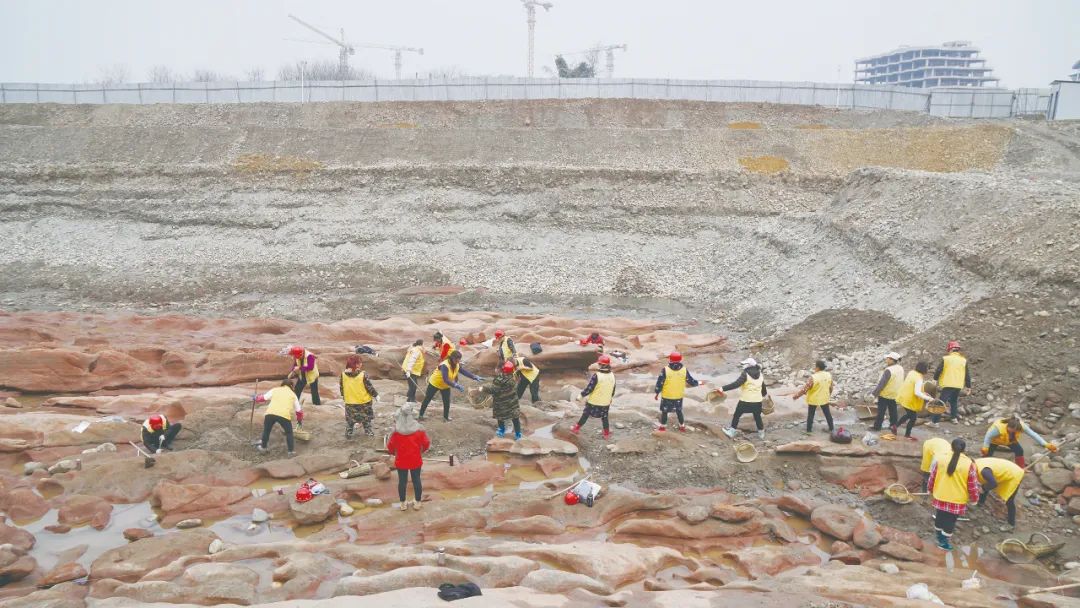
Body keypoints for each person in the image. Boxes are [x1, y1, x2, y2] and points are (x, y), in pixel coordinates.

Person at [927, 437, 979, 550]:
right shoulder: (969, 464)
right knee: (950, 520)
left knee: (940, 515)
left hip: (940, 494)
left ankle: (939, 536)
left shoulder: (941, 459)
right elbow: (972, 484)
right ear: (964, 450)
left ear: (951, 447)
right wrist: (974, 498)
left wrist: (930, 489)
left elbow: (932, 476)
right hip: (957, 499)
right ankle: (943, 542)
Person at [385, 404, 430, 511]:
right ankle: (417, 502)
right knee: (416, 480)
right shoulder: (419, 429)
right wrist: (421, 451)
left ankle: (403, 503)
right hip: (415, 460)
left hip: (401, 461)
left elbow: (390, 446)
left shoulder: (396, 431)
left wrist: (393, 453)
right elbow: (426, 443)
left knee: (402, 481)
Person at [418, 350, 483, 422]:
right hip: (435, 383)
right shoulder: (444, 365)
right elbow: (445, 379)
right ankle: (420, 415)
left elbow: (464, 372)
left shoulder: (457, 364)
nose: (457, 361)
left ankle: (445, 418)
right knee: (427, 399)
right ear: (452, 358)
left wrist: (474, 377)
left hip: (445, 386)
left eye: (459, 360)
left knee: (446, 402)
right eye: (456, 359)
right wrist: (456, 385)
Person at [981, 415, 1057, 468]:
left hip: (1010, 440)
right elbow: (988, 436)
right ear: (1008, 426)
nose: (1012, 431)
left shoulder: (1022, 427)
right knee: (987, 454)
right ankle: (983, 466)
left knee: (1019, 451)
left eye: (1014, 431)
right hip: (995, 441)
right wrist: (985, 447)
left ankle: (1020, 468)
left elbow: (1033, 435)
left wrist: (1046, 444)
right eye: (1011, 430)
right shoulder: (998, 428)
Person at [720, 358, 768, 440]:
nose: (743, 365)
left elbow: (736, 384)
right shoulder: (760, 373)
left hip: (746, 400)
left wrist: (722, 388)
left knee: (737, 415)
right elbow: (763, 387)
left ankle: (732, 431)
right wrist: (764, 395)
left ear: (749, 365)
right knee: (757, 416)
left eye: (744, 364)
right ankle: (761, 433)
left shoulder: (745, 374)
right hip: (757, 401)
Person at [653, 351, 702, 432]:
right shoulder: (684, 370)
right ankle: (682, 426)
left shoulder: (665, 370)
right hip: (678, 396)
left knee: (665, 412)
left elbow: (660, 383)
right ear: (680, 360)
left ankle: (663, 427)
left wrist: (657, 393)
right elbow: (691, 381)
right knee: (679, 411)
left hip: (667, 396)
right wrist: (699, 383)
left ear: (670, 360)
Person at [253, 378, 303, 457]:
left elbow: (263, 398)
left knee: (267, 430)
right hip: (284, 415)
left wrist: (256, 398)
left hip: (270, 413)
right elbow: (299, 411)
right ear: (291, 386)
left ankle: (263, 447)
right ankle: (291, 452)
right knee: (289, 433)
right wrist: (299, 421)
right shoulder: (293, 395)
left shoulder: (275, 390)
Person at [572, 354, 616, 439]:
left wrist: (581, 395)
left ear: (601, 365)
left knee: (585, 414)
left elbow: (589, 389)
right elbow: (613, 390)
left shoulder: (597, 375)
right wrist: (609, 399)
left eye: (599, 364)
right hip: (605, 402)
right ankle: (606, 434)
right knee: (605, 417)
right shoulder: (612, 375)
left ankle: (576, 428)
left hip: (594, 401)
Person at [975, 457, 1025, 530]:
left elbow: (993, 483)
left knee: (1009, 500)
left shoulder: (984, 471)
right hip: (1006, 470)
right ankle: (980, 503)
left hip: (1014, 475)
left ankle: (1011, 524)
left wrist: (982, 489)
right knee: (986, 483)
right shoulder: (977, 464)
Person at [894, 361, 938, 440]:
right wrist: (929, 398)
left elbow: (913, 386)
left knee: (909, 415)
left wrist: (924, 393)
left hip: (904, 397)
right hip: (910, 400)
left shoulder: (912, 373)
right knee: (913, 418)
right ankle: (907, 435)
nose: (928, 370)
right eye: (927, 368)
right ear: (924, 369)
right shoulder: (919, 378)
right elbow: (917, 392)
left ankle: (895, 426)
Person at [791, 359, 835, 434]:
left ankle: (809, 431)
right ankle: (831, 428)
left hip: (814, 399)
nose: (814, 368)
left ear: (817, 368)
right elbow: (831, 387)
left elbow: (805, 389)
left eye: (815, 367)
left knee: (811, 414)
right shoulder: (828, 375)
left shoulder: (813, 377)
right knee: (827, 413)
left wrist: (796, 396)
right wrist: (829, 394)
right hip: (824, 398)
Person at [340, 355, 378, 438]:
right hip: (363, 401)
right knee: (366, 418)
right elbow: (369, 387)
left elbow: (342, 388)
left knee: (350, 419)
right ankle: (368, 432)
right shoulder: (363, 374)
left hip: (350, 402)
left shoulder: (343, 374)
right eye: (360, 363)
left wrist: (344, 397)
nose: (361, 364)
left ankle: (348, 433)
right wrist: (376, 395)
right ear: (356, 364)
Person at [483, 360, 523, 440]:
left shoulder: (500, 379)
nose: (496, 369)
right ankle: (518, 434)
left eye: (497, 367)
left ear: (501, 368)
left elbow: (494, 389)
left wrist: (483, 388)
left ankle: (501, 430)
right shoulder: (512, 376)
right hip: (512, 402)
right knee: (515, 417)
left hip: (501, 402)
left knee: (500, 416)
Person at [934, 341, 971, 423]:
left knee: (941, 402)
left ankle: (934, 422)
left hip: (948, 384)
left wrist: (935, 379)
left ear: (950, 349)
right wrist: (968, 387)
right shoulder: (963, 360)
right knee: (953, 401)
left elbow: (939, 370)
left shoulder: (946, 359)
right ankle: (954, 418)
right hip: (958, 385)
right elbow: (967, 374)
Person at [871, 352, 904, 432]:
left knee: (881, 412)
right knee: (893, 411)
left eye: (888, 358)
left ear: (892, 360)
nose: (886, 360)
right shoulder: (900, 368)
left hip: (885, 394)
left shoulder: (889, 370)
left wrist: (874, 394)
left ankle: (877, 427)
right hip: (895, 394)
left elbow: (882, 384)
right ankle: (893, 425)